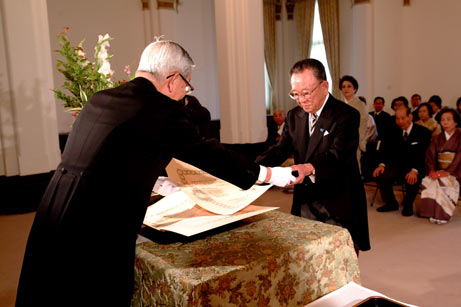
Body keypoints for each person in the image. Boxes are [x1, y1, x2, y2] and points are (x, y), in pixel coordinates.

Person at [15, 39, 295, 307]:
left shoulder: (101, 100)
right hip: (95, 233)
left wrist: (158, 181)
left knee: (46, 293)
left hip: (51, 216)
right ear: (173, 79)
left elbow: (104, 160)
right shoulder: (160, 110)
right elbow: (211, 156)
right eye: (187, 86)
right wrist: (270, 175)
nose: (185, 93)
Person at [256, 59, 370, 254]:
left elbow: (337, 157)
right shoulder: (294, 116)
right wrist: (251, 169)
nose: (301, 100)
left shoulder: (346, 115)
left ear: (324, 86)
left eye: (306, 93)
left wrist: (308, 167)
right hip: (305, 202)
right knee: (306, 265)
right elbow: (279, 150)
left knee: (339, 266)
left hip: (338, 202)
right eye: (296, 94)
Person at [373, 106, 432, 216]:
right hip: (398, 166)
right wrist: (382, 165)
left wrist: (414, 170)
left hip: (416, 166)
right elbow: (386, 150)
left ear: (410, 117)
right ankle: (391, 203)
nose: (399, 121)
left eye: (403, 118)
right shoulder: (393, 131)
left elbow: (424, 155)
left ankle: (408, 204)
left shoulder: (423, 132)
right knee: (380, 174)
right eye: (397, 118)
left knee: (412, 177)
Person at [420, 108, 461, 224]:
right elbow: (430, 155)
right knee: (428, 180)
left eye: (449, 120)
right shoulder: (437, 138)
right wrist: (432, 170)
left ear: (456, 122)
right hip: (439, 170)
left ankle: (443, 214)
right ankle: (432, 213)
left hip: (456, 171)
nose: (445, 123)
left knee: (442, 181)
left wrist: (448, 172)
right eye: (442, 120)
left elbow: (459, 156)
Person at [339, 75, 368, 171]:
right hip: (339, 141)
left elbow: (363, 124)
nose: (346, 89)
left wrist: (359, 141)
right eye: (343, 86)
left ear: (355, 89)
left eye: (349, 86)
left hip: (354, 140)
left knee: (353, 168)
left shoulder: (360, 104)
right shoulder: (339, 104)